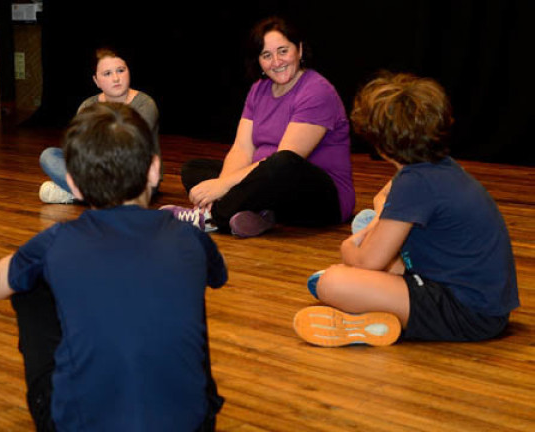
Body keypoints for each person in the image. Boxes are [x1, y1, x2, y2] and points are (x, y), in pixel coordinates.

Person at [0, 103, 226, 431]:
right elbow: (217, 275)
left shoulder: (56, 242)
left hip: (78, 425)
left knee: (28, 283)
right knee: (181, 278)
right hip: (193, 423)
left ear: (74, 184)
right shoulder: (189, 236)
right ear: (154, 170)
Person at [293, 72, 519, 347]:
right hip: (482, 305)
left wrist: (349, 246)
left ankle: (372, 322)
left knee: (330, 282)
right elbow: (385, 203)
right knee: (363, 242)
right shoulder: (437, 167)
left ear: (381, 144)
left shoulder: (415, 182)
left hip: (470, 314)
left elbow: (366, 261)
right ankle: (377, 315)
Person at [162, 17, 354, 237]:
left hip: (320, 199)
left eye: (283, 51)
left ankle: (211, 217)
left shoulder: (317, 91)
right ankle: (257, 216)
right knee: (194, 169)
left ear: (299, 50)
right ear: (259, 61)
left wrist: (222, 188)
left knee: (283, 162)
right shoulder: (258, 89)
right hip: (270, 188)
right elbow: (242, 148)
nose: (276, 62)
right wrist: (221, 183)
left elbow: (286, 161)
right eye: (266, 55)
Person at [38, 47, 160, 204]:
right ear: (96, 81)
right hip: (98, 170)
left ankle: (81, 194)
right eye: (107, 73)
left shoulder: (145, 104)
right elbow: (80, 150)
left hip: (134, 176)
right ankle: (103, 196)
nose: (116, 78)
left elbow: (128, 148)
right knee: (49, 156)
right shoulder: (87, 106)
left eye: (121, 70)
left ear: (129, 71)